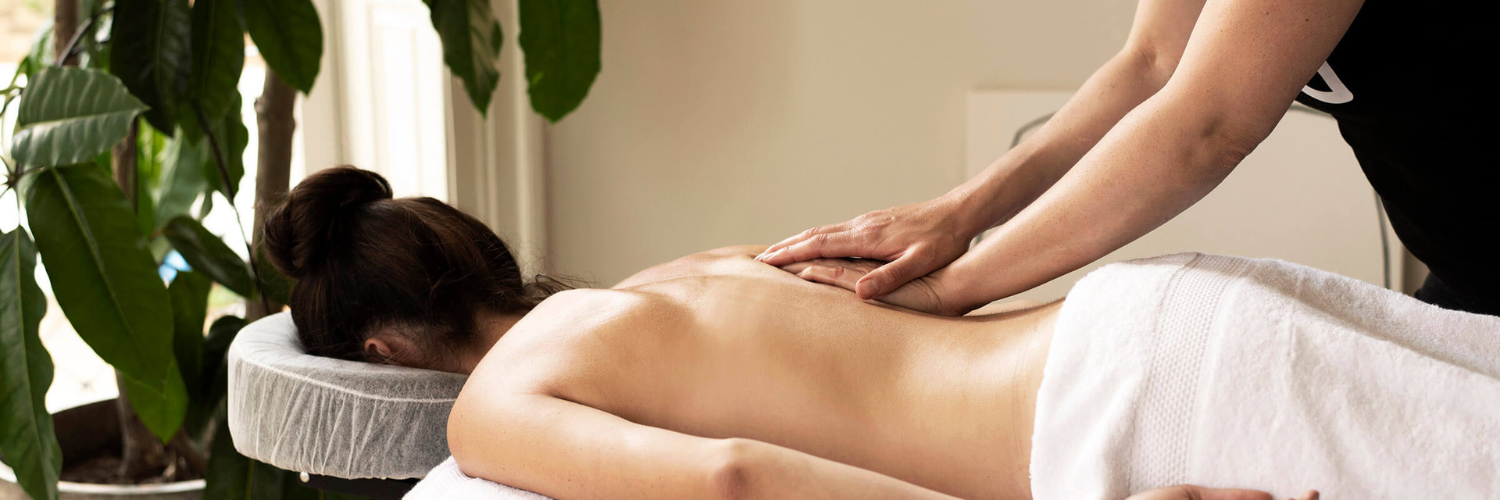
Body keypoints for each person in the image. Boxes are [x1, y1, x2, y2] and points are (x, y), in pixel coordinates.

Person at [258, 168, 1500, 499]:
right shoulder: (685, 271)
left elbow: (733, 480)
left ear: (377, 350)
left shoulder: (492, 411)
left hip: (1123, 420)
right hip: (1161, 310)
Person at [756, 0, 1495, 317]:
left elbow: (1207, 126)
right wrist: (958, 215)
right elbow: (1153, 63)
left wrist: (957, 289)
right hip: (1466, 270)